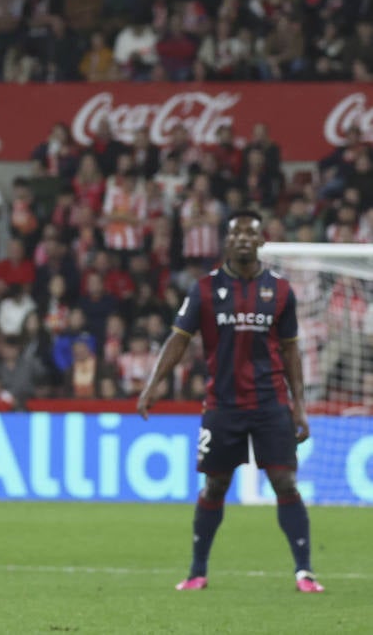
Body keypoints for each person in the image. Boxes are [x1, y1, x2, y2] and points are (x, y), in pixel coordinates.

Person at [137, 209, 324, 594]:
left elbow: (290, 352)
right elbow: (179, 339)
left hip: (271, 404)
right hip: (222, 406)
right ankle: (197, 571)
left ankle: (304, 572)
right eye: (235, 233)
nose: (242, 239)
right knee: (215, 486)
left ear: (261, 241)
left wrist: (299, 406)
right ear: (226, 241)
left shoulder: (282, 291)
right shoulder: (204, 289)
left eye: (249, 233)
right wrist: (153, 384)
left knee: (285, 482)